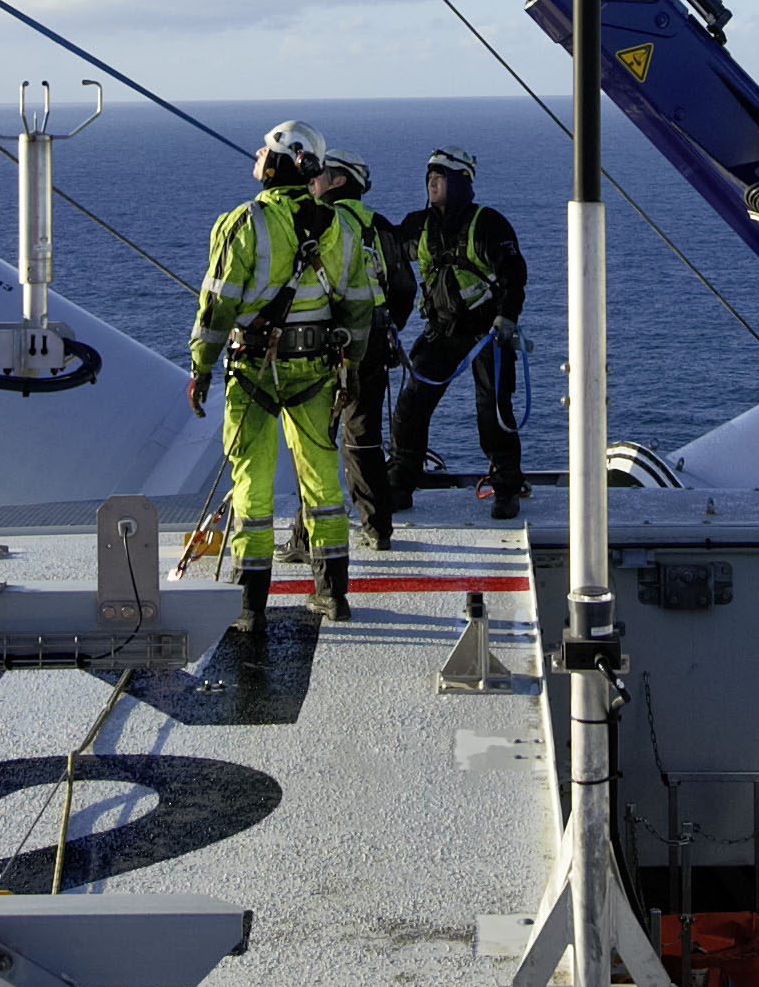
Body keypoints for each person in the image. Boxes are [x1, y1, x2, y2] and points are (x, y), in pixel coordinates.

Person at [190, 119, 383, 628]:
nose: (257, 156)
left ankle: (250, 606)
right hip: (316, 371)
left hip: (253, 369)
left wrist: (201, 368)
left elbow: (216, 309)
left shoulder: (243, 224)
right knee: (322, 483)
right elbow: (359, 306)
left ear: (283, 161)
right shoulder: (339, 227)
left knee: (252, 485)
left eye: (264, 151)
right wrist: (353, 368)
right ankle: (331, 595)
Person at [385, 145, 535, 523]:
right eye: (430, 177)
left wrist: (506, 318)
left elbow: (514, 275)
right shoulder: (419, 226)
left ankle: (505, 488)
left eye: (441, 177)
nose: (432, 182)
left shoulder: (489, 224)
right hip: (442, 331)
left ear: (460, 182)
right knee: (411, 405)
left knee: (494, 409)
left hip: (488, 336)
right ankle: (400, 484)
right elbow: (386, 252)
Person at [310, 149, 411, 551]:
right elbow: (404, 288)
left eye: (319, 175)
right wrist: (386, 327)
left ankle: (307, 537)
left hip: (327, 345)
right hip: (374, 342)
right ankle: (377, 527)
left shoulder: (323, 223)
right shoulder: (379, 225)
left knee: (316, 441)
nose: (311, 181)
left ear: (338, 180)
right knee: (363, 437)